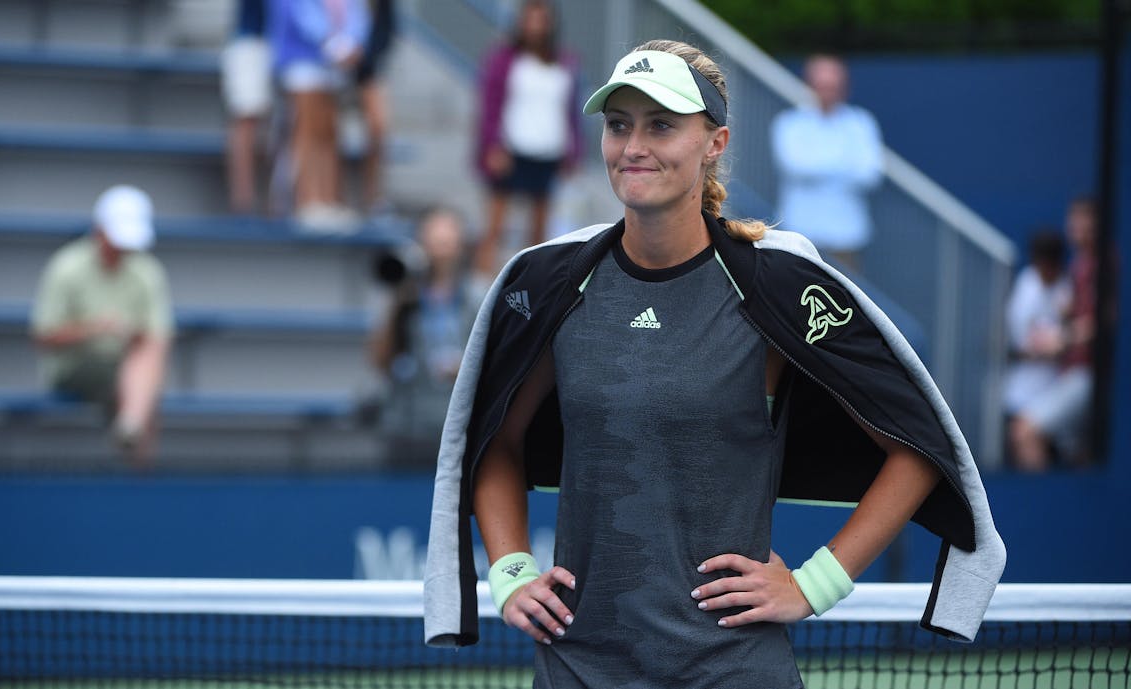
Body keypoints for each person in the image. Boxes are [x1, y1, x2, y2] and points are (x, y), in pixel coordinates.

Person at [423, 40, 1005, 687]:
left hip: (731, 669)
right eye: (619, 125)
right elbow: (492, 438)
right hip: (576, 666)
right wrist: (509, 570)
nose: (634, 146)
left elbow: (919, 443)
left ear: (715, 142)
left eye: (662, 125)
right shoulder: (558, 282)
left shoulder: (774, 286)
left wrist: (816, 582)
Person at [31, 185, 173, 466]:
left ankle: (132, 426)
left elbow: (158, 337)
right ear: (100, 230)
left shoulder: (148, 272)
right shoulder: (66, 267)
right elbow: (43, 336)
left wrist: (130, 335)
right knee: (143, 384)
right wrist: (95, 329)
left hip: (126, 367)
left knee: (142, 369)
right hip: (75, 366)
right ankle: (133, 431)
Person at [473, 0, 582, 275]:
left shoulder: (564, 62)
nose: (535, 26)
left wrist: (573, 152)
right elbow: (489, 106)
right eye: (530, 19)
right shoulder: (504, 60)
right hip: (512, 151)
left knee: (538, 232)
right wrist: (491, 146)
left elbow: (570, 111)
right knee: (496, 227)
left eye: (541, 19)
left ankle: (533, 286)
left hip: (548, 152)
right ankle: (482, 287)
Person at [368, 207, 484, 468]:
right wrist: (397, 303)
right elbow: (379, 362)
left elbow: (497, 361)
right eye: (434, 239)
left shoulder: (479, 294)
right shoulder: (403, 291)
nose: (441, 249)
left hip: (460, 428)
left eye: (447, 239)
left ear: (462, 245)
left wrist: (464, 368)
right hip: (407, 426)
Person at [1008, 197, 1099, 470]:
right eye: (1074, 221)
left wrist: (1061, 338)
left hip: (1087, 374)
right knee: (1076, 455)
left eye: (1084, 221)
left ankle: (1040, 507)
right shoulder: (1078, 266)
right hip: (1068, 375)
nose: (1076, 227)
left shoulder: (1104, 263)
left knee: (1025, 432)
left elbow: (1101, 323)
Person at [771, 54, 883, 272]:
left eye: (832, 86)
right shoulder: (789, 123)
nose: (827, 92)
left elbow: (870, 174)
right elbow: (794, 166)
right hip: (799, 233)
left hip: (846, 235)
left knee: (844, 300)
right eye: (821, 85)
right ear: (809, 85)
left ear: (844, 88)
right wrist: (845, 162)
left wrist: (818, 162)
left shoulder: (861, 122)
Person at [268, 0, 369, 229]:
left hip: (333, 69)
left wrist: (350, 43)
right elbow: (297, 14)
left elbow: (356, 16)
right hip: (301, 62)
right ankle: (307, 201)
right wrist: (332, 43)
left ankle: (327, 200)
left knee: (328, 134)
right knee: (306, 133)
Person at [1003, 230, 1071, 462]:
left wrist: (1059, 343)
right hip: (1023, 391)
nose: (1044, 270)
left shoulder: (1068, 287)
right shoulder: (1026, 285)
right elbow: (1019, 342)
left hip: (1059, 387)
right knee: (1022, 437)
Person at [222, 0, 272, 215]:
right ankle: (243, 200)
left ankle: (269, 200)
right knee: (246, 122)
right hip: (250, 42)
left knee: (273, 129)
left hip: (281, 42)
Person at [351, 0, 396, 217]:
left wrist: (365, 57)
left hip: (368, 69)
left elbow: (386, 29)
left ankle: (372, 196)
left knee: (378, 130)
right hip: (334, 65)